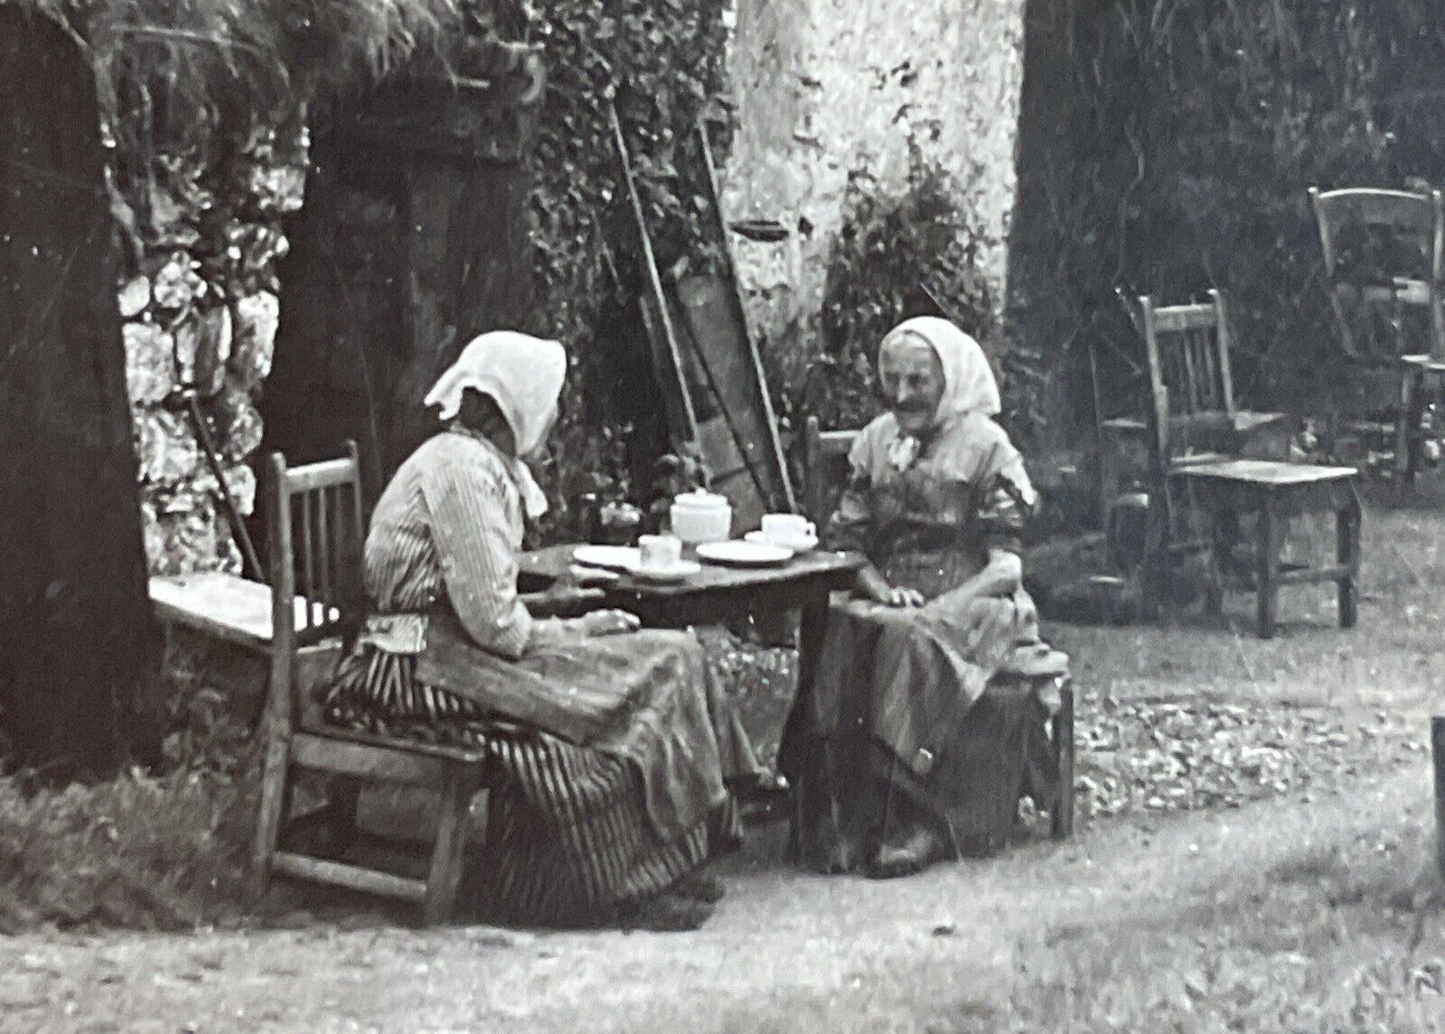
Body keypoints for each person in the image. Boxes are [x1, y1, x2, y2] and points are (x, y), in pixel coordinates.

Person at [324, 330, 757, 930]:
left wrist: (563, 618)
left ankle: (659, 866)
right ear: (517, 406)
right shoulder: (462, 473)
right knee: (606, 702)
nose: (553, 417)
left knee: (672, 655)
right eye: (548, 402)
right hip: (410, 666)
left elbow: (485, 602)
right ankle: (604, 889)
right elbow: (497, 628)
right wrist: (578, 631)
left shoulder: (478, 463)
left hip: (448, 648)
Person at [781, 317, 1068, 878]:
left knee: (910, 638)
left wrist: (944, 605)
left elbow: (1006, 565)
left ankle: (913, 819)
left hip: (978, 596)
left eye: (919, 381)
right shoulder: (876, 439)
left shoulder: (987, 446)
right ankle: (840, 814)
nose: (903, 395)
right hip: (899, 592)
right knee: (842, 624)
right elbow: (849, 544)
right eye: (893, 380)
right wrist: (881, 589)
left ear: (951, 381)